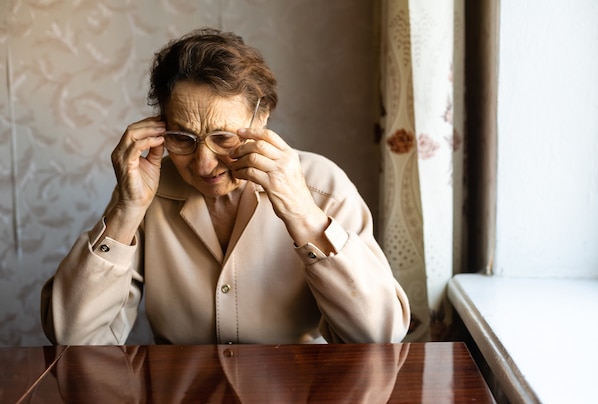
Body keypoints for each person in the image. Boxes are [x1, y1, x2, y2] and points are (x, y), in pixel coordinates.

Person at [40, 27, 410, 345]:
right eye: (183, 138)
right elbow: (73, 337)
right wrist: (125, 209)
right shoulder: (146, 192)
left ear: (261, 115)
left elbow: (379, 334)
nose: (203, 163)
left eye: (222, 137)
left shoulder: (324, 186)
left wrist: (301, 211)